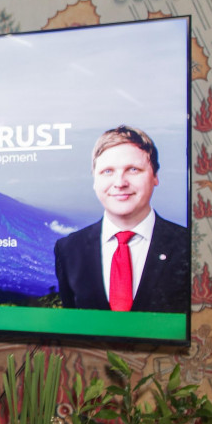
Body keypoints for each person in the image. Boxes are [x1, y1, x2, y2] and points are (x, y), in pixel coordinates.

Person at [54, 125, 189, 313]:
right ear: (95, 180)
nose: (120, 183)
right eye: (107, 171)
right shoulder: (69, 250)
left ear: (155, 176)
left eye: (133, 169)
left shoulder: (188, 246)